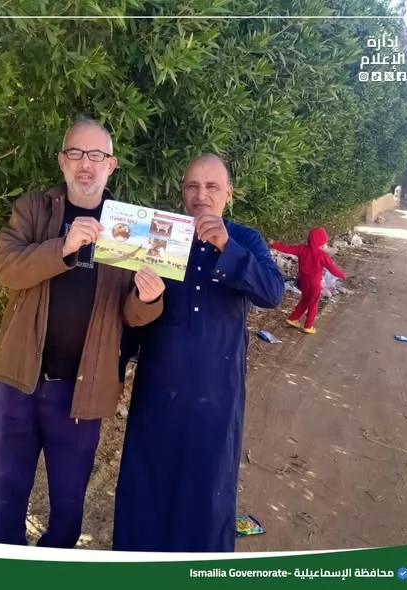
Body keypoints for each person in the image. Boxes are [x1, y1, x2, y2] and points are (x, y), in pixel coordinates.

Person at [0, 116, 166, 548]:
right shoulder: (35, 209)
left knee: (68, 507)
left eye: (96, 155)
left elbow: (131, 315)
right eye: (76, 153)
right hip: (18, 382)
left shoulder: (132, 227)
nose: (86, 164)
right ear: (62, 162)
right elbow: (5, 268)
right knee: (5, 498)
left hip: (81, 392)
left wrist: (148, 298)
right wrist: (62, 248)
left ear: (111, 165)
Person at [112, 154, 285, 552]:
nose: (201, 195)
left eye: (211, 187)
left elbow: (273, 293)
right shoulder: (161, 236)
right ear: (182, 192)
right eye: (192, 186)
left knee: (207, 490)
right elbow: (133, 313)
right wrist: (118, 369)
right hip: (158, 389)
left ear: (229, 194)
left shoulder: (246, 240)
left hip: (216, 395)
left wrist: (227, 246)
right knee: (146, 483)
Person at [269, 227, 346, 334]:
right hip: (314, 284)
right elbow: (332, 268)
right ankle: (308, 326)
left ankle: (293, 318)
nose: (325, 244)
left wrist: (274, 244)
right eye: (324, 242)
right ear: (320, 243)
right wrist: (342, 275)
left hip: (303, 281)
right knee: (313, 304)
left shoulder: (302, 249)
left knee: (305, 300)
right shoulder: (322, 255)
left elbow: (287, 248)